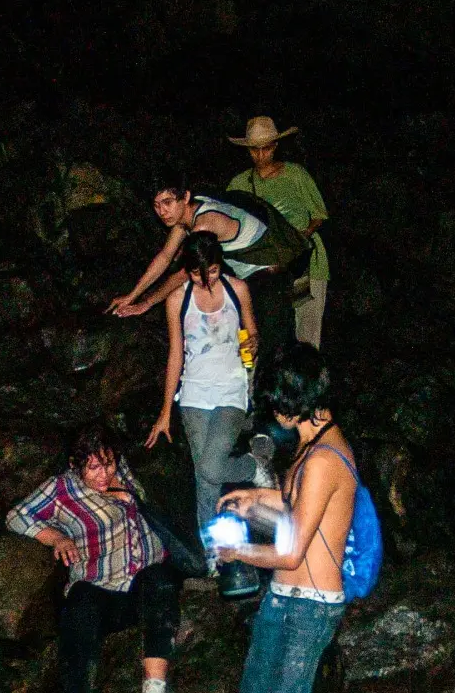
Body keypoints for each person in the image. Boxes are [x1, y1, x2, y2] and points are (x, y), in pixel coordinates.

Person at [178, 345, 357, 693]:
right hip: (284, 602)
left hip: (309, 608)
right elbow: (296, 508)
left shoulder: (325, 459)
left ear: (292, 404)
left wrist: (235, 553)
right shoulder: (313, 448)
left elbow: (292, 551)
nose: (274, 416)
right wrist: (250, 498)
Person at [6, 428, 181, 693]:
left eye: (109, 464)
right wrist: (56, 537)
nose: (104, 475)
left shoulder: (124, 474)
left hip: (144, 585)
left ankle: (154, 687)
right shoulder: (61, 489)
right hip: (102, 591)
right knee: (79, 602)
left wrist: (130, 496)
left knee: (159, 578)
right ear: (76, 466)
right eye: (94, 468)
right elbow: (16, 516)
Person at [145, 233, 257, 540]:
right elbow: (176, 354)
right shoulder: (177, 300)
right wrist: (165, 411)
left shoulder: (238, 289)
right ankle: (213, 549)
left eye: (212, 271)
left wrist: (252, 343)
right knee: (204, 480)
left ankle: (253, 467)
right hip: (193, 395)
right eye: (197, 273)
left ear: (220, 263)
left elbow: (252, 332)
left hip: (231, 389)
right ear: (187, 269)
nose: (206, 280)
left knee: (210, 468)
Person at [108, 181, 305, 351]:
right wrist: (131, 296)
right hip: (247, 278)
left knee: (271, 347)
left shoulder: (204, 224)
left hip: (268, 275)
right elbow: (165, 256)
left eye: (167, 202)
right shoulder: (186, 215)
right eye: (156, 205)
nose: (162, 212)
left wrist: (146, 303)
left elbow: (186, 273)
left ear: (185, 197)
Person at [227, 116, 330, 348]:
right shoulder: (239, 184)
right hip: (263, 273)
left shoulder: (295, 175)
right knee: (269, 334)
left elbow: (319, 215)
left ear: (275, 146)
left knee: (306, 334)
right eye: (254, 149)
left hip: (303, 265)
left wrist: (294, 243)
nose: (260, 155)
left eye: (266, 148)